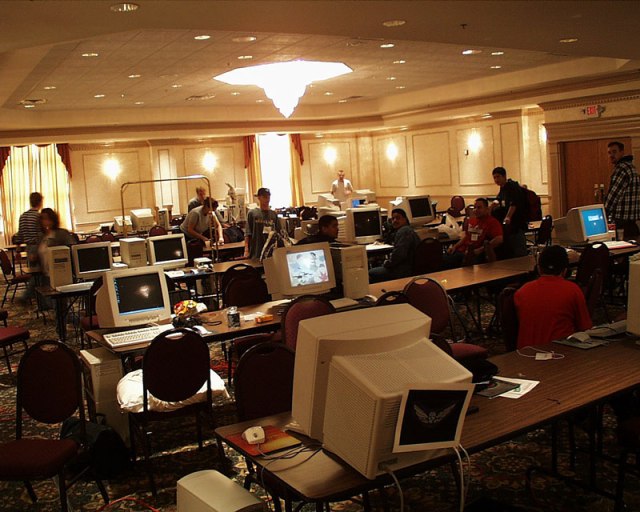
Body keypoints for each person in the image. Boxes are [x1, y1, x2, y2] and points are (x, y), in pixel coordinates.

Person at [514, 245, 591, 349]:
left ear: (539, 269)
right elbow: (585, 327)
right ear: (565, 271)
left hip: (525, 353)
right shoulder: (573, 290)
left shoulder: (521, 291)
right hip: (561, 352)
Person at [443, 197, 503, 268]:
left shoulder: (492, 222)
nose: (476, 210)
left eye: (479, 207)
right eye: (475, 207)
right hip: (462, 250)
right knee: (439, 259)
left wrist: (480, 250)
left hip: (473, 254)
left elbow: (499, 239)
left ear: (486, 209)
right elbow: (467, 236)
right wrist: (455, 246)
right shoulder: (472, 220)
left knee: (444, 262)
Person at [368, 208, 420, 283]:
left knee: (371, 272)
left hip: (402, 270)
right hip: (410, 268)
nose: (395, 221)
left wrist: (386, 263)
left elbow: (398, 255)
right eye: (393, 219)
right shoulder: (408, 230)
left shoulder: (403, 232)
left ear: (405, 219)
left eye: (398, 218)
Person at [604, 141, 640, 240]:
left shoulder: (621, 169)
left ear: (622, 152)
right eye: (609, 152)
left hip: (621, 222)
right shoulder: (632, 168)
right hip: (633, 223)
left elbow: (613, 195)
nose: (611, 155)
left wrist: (604, 213)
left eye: (614, 152)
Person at [491, 166, 527, 258]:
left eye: (498, 177)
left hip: (516, 223)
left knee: (518, 249)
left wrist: (508, 217)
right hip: (510, 225)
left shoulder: (512, 187)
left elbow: (514, 203)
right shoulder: (502, 188)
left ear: (504, 176)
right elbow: (500, 200)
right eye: (494, 177)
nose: (496, 180)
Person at [37, 208, 74, 278]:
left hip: (61, 273)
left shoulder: (62, 234)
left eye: (47, 219)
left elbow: (72, 250)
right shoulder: (41, 237)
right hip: (45, 275)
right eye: (43, 219)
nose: (45, 221)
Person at [244, 187, 278, 259]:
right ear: (259, 198)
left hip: (271, 252)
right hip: (256, 251)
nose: (267, 199)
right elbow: (247, 233)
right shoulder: (252, 213)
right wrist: (246, 250)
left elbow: (278, 233)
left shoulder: (273, 214)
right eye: (264, 197)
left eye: (268, 197)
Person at [16, 192, 45, 269]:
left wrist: (18, 249)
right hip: (37, 246)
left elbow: (20, 234)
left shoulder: (22, 216)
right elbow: (40, 234)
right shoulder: (38, 216)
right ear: (40, 202)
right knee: (40, 271)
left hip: (28, 247)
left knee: (32, 270)